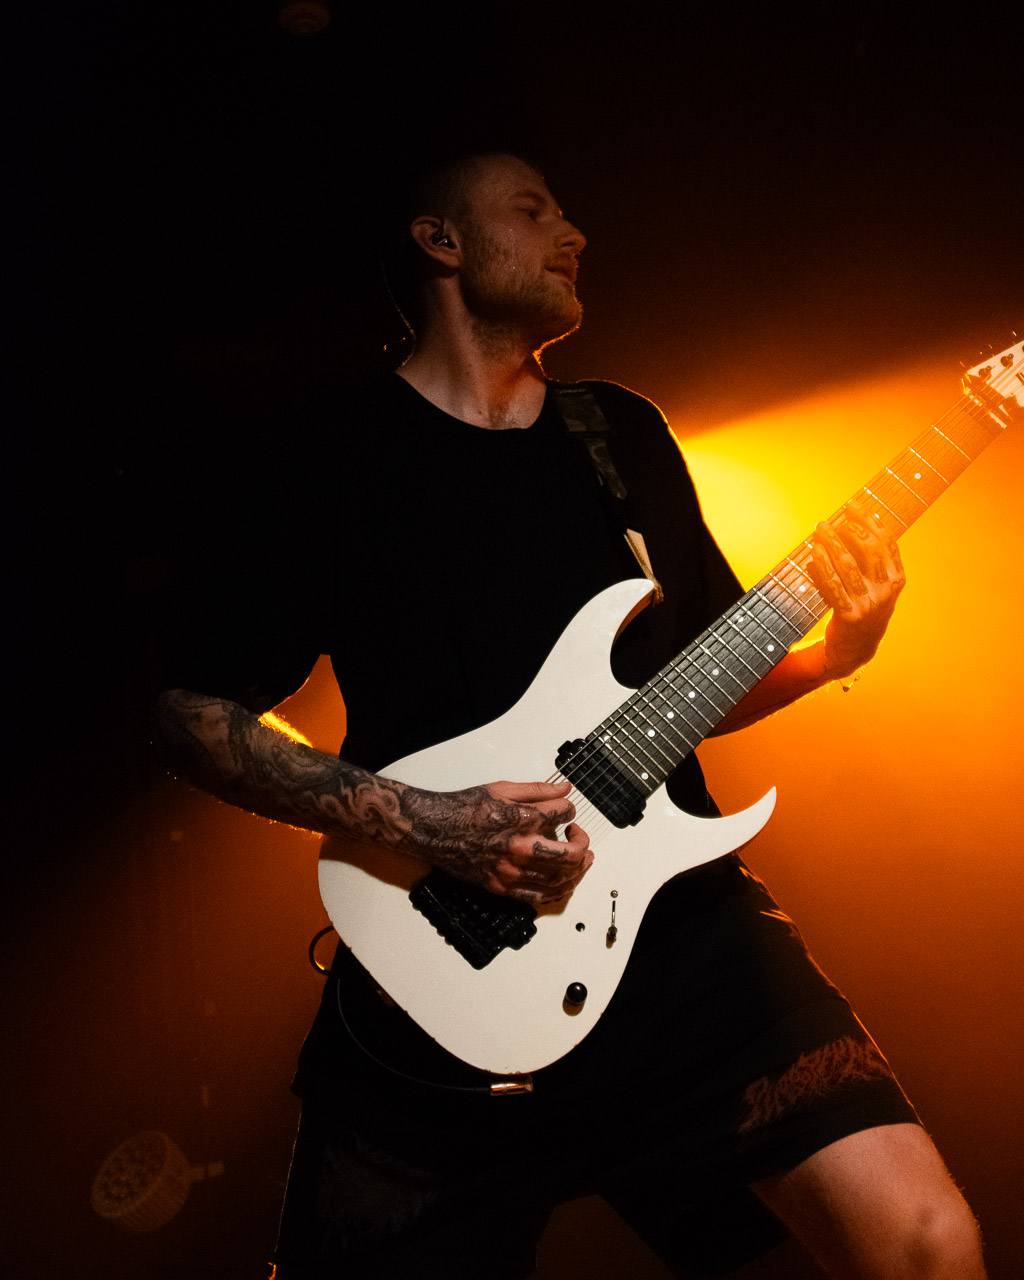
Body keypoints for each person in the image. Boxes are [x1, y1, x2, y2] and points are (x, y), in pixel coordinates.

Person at [152, 151, 986, 1278]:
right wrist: (430, 822)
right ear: (441, 242)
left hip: (676, 932)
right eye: (534, 210)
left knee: (930, 1241)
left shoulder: (618, 434)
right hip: (439, 957)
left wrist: (838, 649)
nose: (574, 232)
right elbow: (189, 712)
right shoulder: (333, 454)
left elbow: (694, 682)